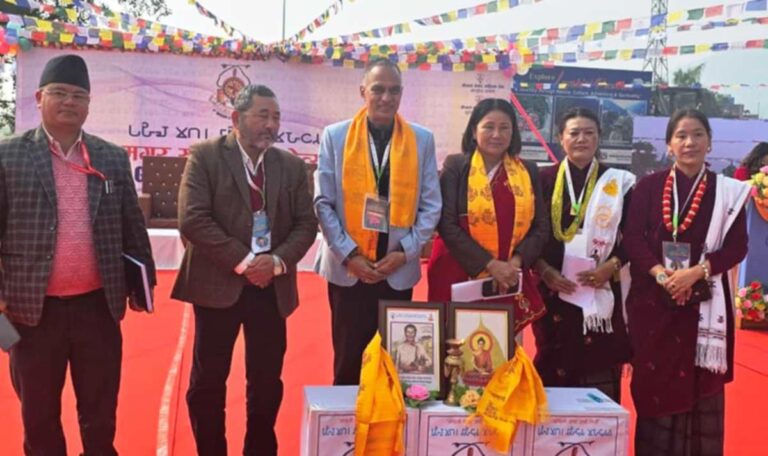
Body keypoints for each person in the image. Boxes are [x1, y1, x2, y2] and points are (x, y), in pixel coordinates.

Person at [0, 54, 156, 455]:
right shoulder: (8, 155)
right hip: (31, 312)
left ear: (88, 104)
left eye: (78, 95)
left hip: (97, 309)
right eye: (59, 93)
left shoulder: (110, 157)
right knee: (39, 417)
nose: (69, 102)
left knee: (100, 415)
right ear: (40, 97)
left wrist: (143, 286)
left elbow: (132, 227)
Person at [172, 84, 317, 455]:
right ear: (236, 118)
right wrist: (246, 262)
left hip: (271, 287)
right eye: (262, 115)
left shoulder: (291, 166)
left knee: (266, 383)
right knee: (208, 383)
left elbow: (306, 224)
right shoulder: (206, 156)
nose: (271, 124)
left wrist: (277, 261)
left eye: (276, 117)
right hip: (218, 285)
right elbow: (193, 219)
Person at [623, 109, 750, 455]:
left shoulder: (727, 193)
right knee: (655, 387)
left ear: (709, 143)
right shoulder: (648, 187)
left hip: (704, 302)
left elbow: (737, 247)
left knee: (700, 389)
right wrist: (662, 274)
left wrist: (695, 272)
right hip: (654, 304)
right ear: (669, 145)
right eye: (681, 135)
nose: (689, 142)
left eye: (697, 134)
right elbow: (632, 239)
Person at [314, 58, 441, 385]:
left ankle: (387, 418)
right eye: (378, 89)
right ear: (363, 91)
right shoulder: (336, 136)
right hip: (348, 269)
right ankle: (348, 418)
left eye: (394, 91)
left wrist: (405, 252)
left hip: (396, 269)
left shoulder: (421, 139)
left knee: (394, 364)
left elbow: (431, 206)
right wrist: (350, 256)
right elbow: (323, 203)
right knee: (348, 362)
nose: (386, 98)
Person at [532, 107, 635, 402]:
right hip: (554, 290)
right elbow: (527, 234)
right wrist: (544, 271)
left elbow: (634, 237)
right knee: (553, 359)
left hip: (600, 288)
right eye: (574, 133)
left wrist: (610, 267)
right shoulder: (542, 179)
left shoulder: (619, 183)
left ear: (599, 137)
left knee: (598, 363)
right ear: (560, 138)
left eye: (589, 133)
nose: (581, 139)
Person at [426, 98, 548, 331]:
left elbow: (540, 226)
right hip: (457, 270)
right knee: (453, 342)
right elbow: (447, 224)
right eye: (488, 127)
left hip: (509, 275)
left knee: (499, 344)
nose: (496, 135)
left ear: (513, 133)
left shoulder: (528, 171)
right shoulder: (456, 166)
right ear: (474, 131)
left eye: (504, 128)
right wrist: (490, 264)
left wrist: (515, 263)